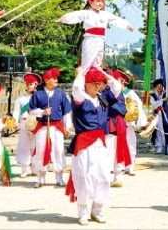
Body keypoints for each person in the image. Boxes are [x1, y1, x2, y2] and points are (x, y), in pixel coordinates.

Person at [65, 68, 113, 225]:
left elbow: (117, 88)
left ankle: (97, 210)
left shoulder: (102, 98)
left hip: (100, 142)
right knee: (84, 177)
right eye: (94, 84)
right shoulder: (80, 98)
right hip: (84, 142)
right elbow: (76, 88)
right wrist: (80, 74)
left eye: (99, 84)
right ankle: (82, 212)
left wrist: (102, 72)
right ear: (87, 84)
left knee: (104, 176)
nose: (97, 87)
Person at [56, 0, 134, 75]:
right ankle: (81, 80)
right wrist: (64, 18)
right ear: (90, 2)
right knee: (87, 62)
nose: (100, 3)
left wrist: (127, 25)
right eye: (97, 1)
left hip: (100, 40)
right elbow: (76, 15)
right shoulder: (87, 13)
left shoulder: (104, 14)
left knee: (97, 63)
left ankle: (95, 79)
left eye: (101, 1)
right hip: (90, 40)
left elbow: (115, 19)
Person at [28, 68, 73, 188]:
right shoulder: (38, 94)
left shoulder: (61, 93)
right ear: (47, 80)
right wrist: (43, 112)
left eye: (56, 78)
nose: (56, 80)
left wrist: (67, 126)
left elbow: (66, 111)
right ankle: (41, 177)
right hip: (42, 127)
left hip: (57, 127)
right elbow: (31, 111)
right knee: (41, 150)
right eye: (54, 78)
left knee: (58, 150)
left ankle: (59, 177)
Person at [113, 69, 147, 176]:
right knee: (115, 145)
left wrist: (141, 122)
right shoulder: (112, 93)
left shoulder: (130, 93)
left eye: (116, 80)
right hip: (115, 123)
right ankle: (118, 166)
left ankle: (130, 166)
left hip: (128, 124)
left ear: (122, 81)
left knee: (130, 144)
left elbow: (138, 107)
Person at [101, 69, 130, 187]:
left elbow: (116, 85)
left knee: (113, 149)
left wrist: (106, 76)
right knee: (110, 149)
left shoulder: (112, 90)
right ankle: (111, 176)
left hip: (113, 122)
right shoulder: (101, 90)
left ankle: (114, 176)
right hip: (107, 122)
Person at [13, 73, 42, 178]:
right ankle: (25, 169)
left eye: (31, 84)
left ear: (35, 85)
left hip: (36, 122)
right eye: (27, 84)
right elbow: (16, 112)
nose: (29, 86)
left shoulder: (40, 97)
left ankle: (35, 168)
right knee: (24, 146)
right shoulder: (20, 99)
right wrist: (15, 122)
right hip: (24, 123)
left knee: (36, 146)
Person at [150, 78, 168, 154]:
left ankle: (166, 146)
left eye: (161, 85)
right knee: (157, 131)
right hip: (156, 115)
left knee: (165, 130)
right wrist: (162, 101)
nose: (159, 87)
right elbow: (153, 105)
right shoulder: (152, 95)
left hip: (164, 115)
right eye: (158, 86)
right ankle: (159, 147)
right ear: (155, 87)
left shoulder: (165, 94)